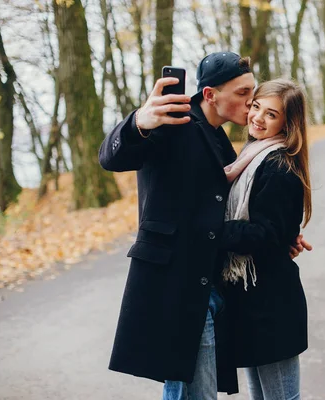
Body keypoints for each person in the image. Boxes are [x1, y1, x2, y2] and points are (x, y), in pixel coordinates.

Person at [98, 52, 311, 399]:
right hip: (175, 284)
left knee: (195, 389)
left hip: (209, 287)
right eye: (244, 95)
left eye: (254, 94)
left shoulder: (225, 143)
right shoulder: (172, 121)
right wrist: (139, 120)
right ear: (211, 95)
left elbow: (236, 208)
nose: (250, 104)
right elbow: (111, 157)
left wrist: (281, 232)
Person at [219, 79, 311, 400]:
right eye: (256, 107)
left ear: (288, 123)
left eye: (271, 114)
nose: (258, 117)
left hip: (271, 307)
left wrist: (211, 232)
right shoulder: (251, 155)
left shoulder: (278, 165)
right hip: (251, 301)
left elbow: (266, 234)